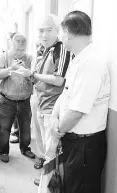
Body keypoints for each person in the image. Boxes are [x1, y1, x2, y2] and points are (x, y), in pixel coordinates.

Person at [50, 11, 110, 193]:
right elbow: (65, 94)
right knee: (70, 186)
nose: (60, 38)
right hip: (73, 140)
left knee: (80, 188)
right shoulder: (78, 60)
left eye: (61, 33)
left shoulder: (91, 63)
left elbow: (77, 111)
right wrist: (54, 117)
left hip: (85, 146)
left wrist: (56, 132)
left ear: (67, 33)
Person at [15, 15, 72, 186]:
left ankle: (50, 184)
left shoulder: (61, 49)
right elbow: (38, 78)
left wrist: (32, 74)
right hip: (40, 102)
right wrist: (29, 73)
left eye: (49, 30)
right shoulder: (44, 50)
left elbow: (59, 80)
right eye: (41, 31)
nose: (44, 34)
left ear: (58, 31)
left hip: (53, 107)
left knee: (52, 149)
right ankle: (46, 180)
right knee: (44, 145)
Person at [0, 34, 35, 163]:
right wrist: (11, 68)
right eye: (17, 49)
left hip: (24, 100)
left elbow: (34, 77)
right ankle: (4, 151)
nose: (20, 53)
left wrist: (28, 72)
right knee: (4, 128)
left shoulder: (29, 58)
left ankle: (25, 148)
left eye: (22, 50)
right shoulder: (3, 57)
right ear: (11, 45)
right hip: (6, 100)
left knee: (25, 127)